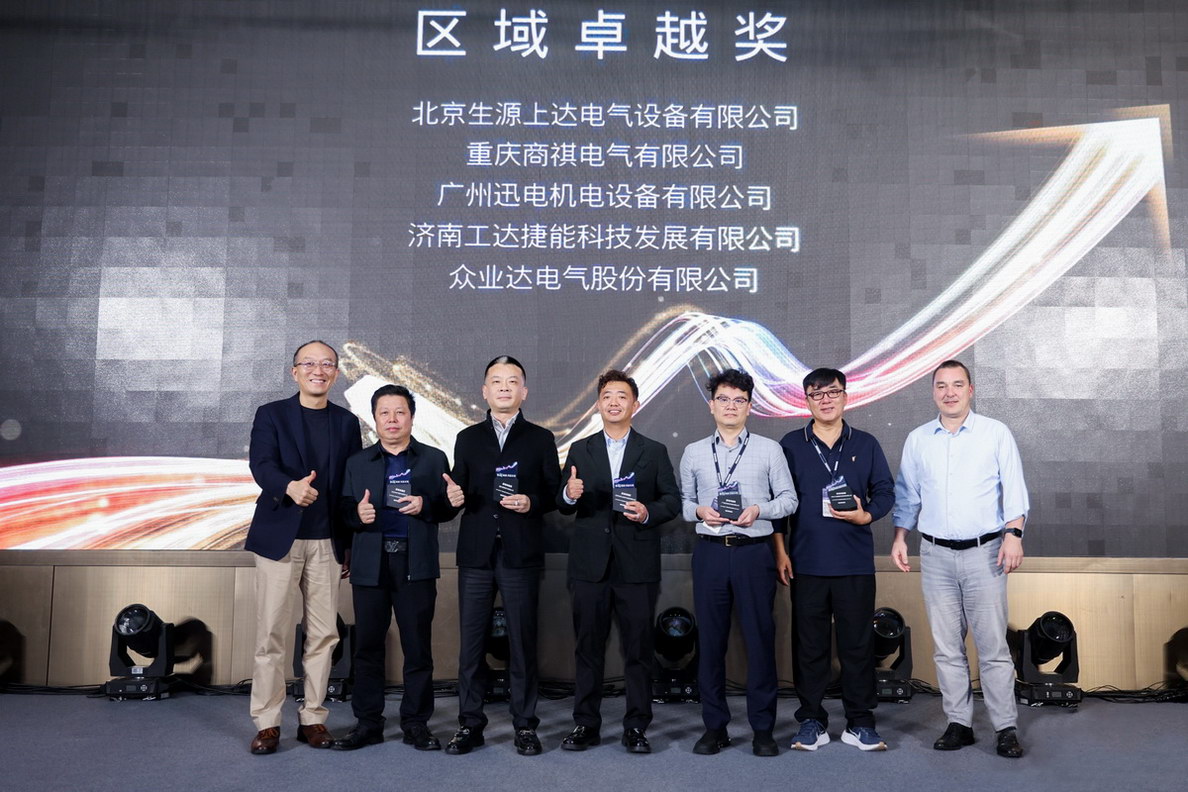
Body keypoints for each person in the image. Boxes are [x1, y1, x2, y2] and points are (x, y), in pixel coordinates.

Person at [890, 359, 1028, 758]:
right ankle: (959, 724)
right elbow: (908, 495)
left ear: (970, 390)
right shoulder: (918, 439)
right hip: (934, 554)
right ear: (933, 391)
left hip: (986, 553)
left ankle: (1005, 727)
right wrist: (900, 537)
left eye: (957, 384)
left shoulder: (995, 433)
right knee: (947, 647)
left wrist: (1014, 535)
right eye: (941, 385)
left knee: (992, 646)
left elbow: (1014, 489)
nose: (949, 392)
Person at [245, 340, 362, 755]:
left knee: (324, 635)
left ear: (336, 373)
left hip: (327, 540)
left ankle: (313, 717)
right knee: (271, 634)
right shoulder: (271, 414)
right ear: (295, 372)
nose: (318, 370)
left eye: (327, 364)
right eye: (309, 363)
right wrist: (289, 487)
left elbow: (350, 485)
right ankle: (268, 722)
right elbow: (261, 464)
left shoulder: (346, 423)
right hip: (280, 537)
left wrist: (349, 543)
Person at [556, 370, 681, 754]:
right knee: (587, 647)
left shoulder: (653, 450)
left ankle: (637, 726)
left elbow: (672, 501)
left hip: (636, 565)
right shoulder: (580, 449)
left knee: (638, 649)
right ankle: (585, 724)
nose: (614, 402)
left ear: (635, 405)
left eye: (622, 396)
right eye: (607, 395)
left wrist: (647, 512)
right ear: (598, 404)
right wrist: (569, 493)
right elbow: (562, 503)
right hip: (589, 565)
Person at [443, 356, 562, 756]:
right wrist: (452, 496)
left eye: (512, 381)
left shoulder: (540, 438)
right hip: (476, 553)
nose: (505, 387)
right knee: (471, 644)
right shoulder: (468, 438)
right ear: (485, 391)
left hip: (520, 552)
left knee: (522, 643)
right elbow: (457, 489)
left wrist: (532, 502)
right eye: (497, 381)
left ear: (524, 391)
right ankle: (470, 724)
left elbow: (553, 493)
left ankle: (525, 725)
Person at [772, 367, 895, 752]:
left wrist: (866, 515)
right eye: (817, 394)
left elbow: (886, 491)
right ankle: (811, 720)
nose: (825, 400)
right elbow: (779, 502)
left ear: (845, 396)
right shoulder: (791, 444)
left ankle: (861, 721)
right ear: (806, 400)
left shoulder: (866, 443)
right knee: (810, 647)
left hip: (854, 563)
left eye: (833, 392)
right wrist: (780, 550)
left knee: (857, 645)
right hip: (805, 561)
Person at [679, 368, 797, 757]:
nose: (731, 406)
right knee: (710, 642)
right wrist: (700, 511)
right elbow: (684, 503)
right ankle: (715, 727)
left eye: (739, 400)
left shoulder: (769, 449)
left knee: (760, 640)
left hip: (754, 553)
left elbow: (789, 500)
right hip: (710, 552)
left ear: (749, 407)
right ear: (711, 405)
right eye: (724, 399)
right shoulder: (694, 451)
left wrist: (758, 510)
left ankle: (763, 729)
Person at [333, 385, 455, 751]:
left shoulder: (433, 459)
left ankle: (416, 723)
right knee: (368, 647)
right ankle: (368, 723)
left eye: (399, 412)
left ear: (411, 418)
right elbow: (342, 510)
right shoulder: (357, 462)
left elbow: (446, 508)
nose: (392, 419)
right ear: (374, 419)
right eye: (384, 413)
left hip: (415, 564)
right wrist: (357, 514)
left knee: (417, 647)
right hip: (370, 564)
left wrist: (427, 504)